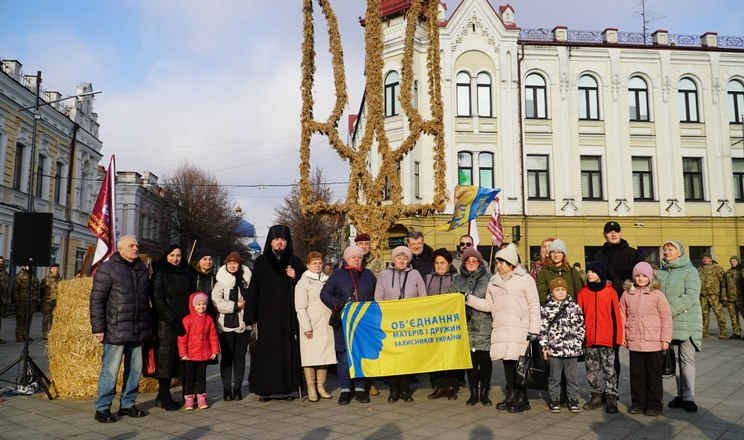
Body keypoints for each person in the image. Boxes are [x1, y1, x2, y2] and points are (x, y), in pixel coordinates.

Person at [465, 243, 541, 413]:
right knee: (508, 364)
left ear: (511, 263)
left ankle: (523, 398)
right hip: (501, 328)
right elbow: (488, 305)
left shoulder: (525, 279)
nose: (497, 266)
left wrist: (534, 330)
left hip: (521, 328)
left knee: (520, 365)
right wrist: (468, 299)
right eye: (497, 262)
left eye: (501, 262)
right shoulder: (494, 281)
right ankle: (511, 394)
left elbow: (534, 305)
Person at [89, 235, 151, 423]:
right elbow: (97, 300)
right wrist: (98, 327)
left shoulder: (142, 269)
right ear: (121, 248)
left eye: (137, 245)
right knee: (110, 370)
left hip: (138, 328)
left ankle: (127, 404)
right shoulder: (108, 268)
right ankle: (102, 408)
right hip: (115, 328)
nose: (135, 248)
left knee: (135, 369)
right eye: (131, 245)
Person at [245, 225, 306, 401]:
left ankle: (288, 388)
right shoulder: (261, 262)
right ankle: (266, 389)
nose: (280, 242)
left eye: (283, 240)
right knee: (268, 351)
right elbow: (254, 289)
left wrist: (296, 276)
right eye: (276, 239)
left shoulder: (294, 261)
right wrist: (251, 316)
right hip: (267, 315)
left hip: (288, 315)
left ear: (287, 242)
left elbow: (305, 284)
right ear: (270, 242)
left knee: (287, 350)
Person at [320, 245, 376, 405]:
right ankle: (345, 390)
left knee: (361, 355)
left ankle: (360, 388)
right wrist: (337, 304)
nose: (357, 259)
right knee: (344, 356)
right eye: (353, 257)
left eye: (359, 257)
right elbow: (324, 294)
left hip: (363, 323)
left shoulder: (368, 275)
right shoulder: (337, 275)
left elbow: (376, 296)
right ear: (346, 259)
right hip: (343, 321)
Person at [375, 245, 427, 402]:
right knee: (392, 358)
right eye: (399, 257)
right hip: (390, 323)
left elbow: (422, 297)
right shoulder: (384, 275)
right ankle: (393, 390)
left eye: (405, 258)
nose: (402, 261)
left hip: (409, 323)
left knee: (406, 357)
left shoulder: (415, 274)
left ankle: (405, 390)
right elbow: (378, 298)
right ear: (393, 259)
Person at [620, 262, 672, 417]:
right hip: (634, 340)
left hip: (654, 341)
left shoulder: (657, 294)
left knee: (654, 375)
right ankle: (638, 402)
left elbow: (666, 317)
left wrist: (665, 338)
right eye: (637, 275)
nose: (641, 278)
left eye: (644, 275)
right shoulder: (627, 294)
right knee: (637, 375)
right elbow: (621, 315)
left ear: (650, 277)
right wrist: (622, 335)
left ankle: (654, 404)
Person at [656, 240, 702, 413]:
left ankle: (689, 397)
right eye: (665, 249)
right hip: (669, 323)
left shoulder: (690, 271)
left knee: (687, 359)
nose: (667, 252)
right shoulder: (661, 273)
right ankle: (680, 394)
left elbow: (690, 296)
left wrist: (668, 310)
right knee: (675, 360)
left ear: (679, 252)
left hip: (687, 321)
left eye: (671, 249)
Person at [576, 261, 623, 414]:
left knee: (609, 370)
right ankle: (595, 396)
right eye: (588, 271)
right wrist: (581, 338)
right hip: (589, 341)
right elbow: (579, 318)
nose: (589, 274)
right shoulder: (583, 293)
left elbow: (616, 317)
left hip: (607, 340)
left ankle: (611, 398)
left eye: (593, 272)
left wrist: (617, 339)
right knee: (591, 370)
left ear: (600, 274)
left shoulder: (611, 293)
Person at [151, 244, 194, 411]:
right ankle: (164, 395)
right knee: (165, 360)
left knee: (179, 359)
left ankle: (168, 396)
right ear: (166, 256)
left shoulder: (185, 272)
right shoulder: (160, 273)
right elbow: (157, 299)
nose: (176, 259)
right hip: (166, 323)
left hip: (184, 322)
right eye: (172, 256)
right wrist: (173, 319)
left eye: (178, 255)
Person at [448, 247, 492, 406]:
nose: (471, 263)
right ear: (464, 263)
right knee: (471, 362)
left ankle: (485, 391)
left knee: (485, 361)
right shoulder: (457, 279)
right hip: (465, 325)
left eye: (474, 261)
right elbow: (450, 299)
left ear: (479, 263)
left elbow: (491, 302)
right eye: (468, 261)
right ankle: (473, 391)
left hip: (483, 325)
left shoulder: (488, 278)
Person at [294, 251, 336, 402]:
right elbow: (300, 307)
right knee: (310, 357)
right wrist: (306, 326)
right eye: (314, 263)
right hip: (311, 325)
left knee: (324, 356)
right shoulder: (303, 283)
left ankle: (321, 386)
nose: (317, 266)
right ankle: (311, 388)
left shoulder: (327, 280)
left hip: (326, 324)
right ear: (308, 265)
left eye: (319, 263)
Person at [540, 277, 585, 413]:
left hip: (572, 349)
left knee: (572, 377)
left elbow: (581, 326)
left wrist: (578, 342)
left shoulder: (574, 307)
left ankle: (572, 399)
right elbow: (542, 329)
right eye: (557, 290)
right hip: (555, 350)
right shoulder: (546, 308)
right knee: (554, 377)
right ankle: (555, 399)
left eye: (563, 290)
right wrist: (545, 347)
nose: (560, 292)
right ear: (552, 291)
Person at [211, 251, 251, 401]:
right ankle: (227, 388)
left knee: (240, 357)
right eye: (230, 263)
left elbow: (253, 298)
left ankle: (238, 388)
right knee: (227, 357)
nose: (233, 265)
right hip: (225, 325)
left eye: (235, 263)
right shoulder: (221, 282)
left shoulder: (247, 280)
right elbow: (216, 302)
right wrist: (236, 306)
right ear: (226, 265)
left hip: (244, 325)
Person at [426, 248, 460, 400]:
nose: (439, 266)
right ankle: (438, 384)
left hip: (451, 323)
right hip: (433, 323)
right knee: (435, 354)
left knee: (451, 354)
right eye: (437, 263)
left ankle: (452, 385)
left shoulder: (456, 278)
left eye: (442, 263)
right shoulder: (428, 278)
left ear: (449, 264)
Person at [178, 292, 220, 410]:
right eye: (198, 304)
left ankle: (202, 397)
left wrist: (215, 350)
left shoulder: (209, 319)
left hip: (203, 353)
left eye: (204, 304)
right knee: (189, 377)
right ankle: (189, 398)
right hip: (190, 355)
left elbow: (213, 336)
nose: (201, 306)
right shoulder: (187, 320)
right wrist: (183, 353)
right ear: (193, 305)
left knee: (201, 376)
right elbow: (182, 338)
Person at [593, 222, 640, 298]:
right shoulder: (598, 257)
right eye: (610, 232)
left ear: (621, 233)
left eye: (616, 232)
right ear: (604, 234)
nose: (614, 235)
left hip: (629, 297)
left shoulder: (633, 253)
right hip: (606, 298)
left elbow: (641, 277)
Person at [535, 239, 584, 305]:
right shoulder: (543, 272)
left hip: (570, 311)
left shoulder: (572, 272)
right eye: (553, 252)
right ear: (550, 254)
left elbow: (580, 294)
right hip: (551, 311)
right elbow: (541, 296)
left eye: (559, 252)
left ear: (563, 254)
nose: (555, 255)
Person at [698, 253, 728, 339]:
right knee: (704, 314)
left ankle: (723, 332)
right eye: (703, 258)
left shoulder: (717, 267)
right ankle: (705, 331)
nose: (705, 260)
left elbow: (723, 281)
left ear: (710, 259)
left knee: (719, 313)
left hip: (714, 295)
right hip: (703, 295)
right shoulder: (700, 269)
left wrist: (723, 294)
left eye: (707, 258)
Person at [12, 265, 40, 342]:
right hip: (22, 301)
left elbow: (37, 288)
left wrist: (37, 299)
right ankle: (19, 336)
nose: (29, 267)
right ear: (23, 266)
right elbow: (15, 289)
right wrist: (17, 301)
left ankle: (26, 335)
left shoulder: (33, 275)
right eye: (27, 265)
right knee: (21, 319)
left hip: (31, 302)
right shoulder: (19, 276)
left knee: (29, 319)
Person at [189, 248, 217, 319]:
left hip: (210, 315)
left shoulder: (214, 277)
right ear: (198, 261)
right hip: (195, 315)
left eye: (210, 259)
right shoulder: (191, 276)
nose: (208, 261)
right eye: (204, 259)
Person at [41, 263, 62, 339]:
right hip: (47, 301)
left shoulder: (60, 279)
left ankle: (53, 332)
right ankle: (45, 333)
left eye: (57, 268)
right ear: (51, 269)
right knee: (46, 318)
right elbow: (41, 290)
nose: (56, 270)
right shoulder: (46, 279)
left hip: (57, 301)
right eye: (54, 268)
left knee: (54, 318)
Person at [723, 256, 743, 339]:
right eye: (731, 261)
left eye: (734, 261)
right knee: (733, 317)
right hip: (730, 299)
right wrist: (724, 295)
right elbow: (724, 285)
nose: (732, 262)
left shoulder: (741, 271)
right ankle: (736, 333)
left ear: (738, 261)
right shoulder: (728, 272)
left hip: (741, 298)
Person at [0, 257, 8, 343]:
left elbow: (7, 285)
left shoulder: (5, 273)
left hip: (2, 299)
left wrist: (7, 297)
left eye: (2, 261)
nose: (1, 263)